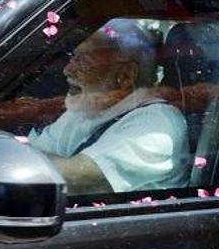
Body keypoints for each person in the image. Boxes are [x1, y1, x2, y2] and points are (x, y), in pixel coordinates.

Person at [28, 19, 189, 194]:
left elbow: (77, 180)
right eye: (74, 58)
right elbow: (38, 152)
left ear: (126, 75)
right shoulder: (87, 110)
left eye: (83, 61)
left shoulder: (155, 123)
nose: (67, 70)